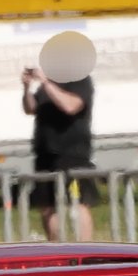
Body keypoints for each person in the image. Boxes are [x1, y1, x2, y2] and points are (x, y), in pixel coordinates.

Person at [21, 65, 96, 242]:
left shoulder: (80, 80)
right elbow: (30, 108)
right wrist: (26, 88)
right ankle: (56, 250)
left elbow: (71, 106)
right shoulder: (47, 85)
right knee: (47, 207)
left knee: (78, 203)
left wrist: (46, 82)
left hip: (72, 153)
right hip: (45, 153)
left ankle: (85, 250)